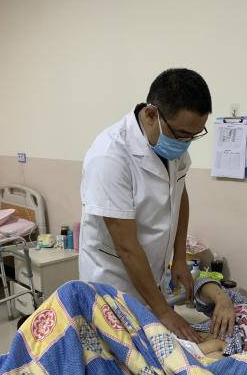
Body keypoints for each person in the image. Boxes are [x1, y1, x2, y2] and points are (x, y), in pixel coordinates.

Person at [79, 68, 212, 343]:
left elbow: (179, 194)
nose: (186, 143)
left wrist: (179, 257)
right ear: (151, 115)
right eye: (183, 134)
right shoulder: (109, 156)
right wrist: (163, 311)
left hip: (151, 277)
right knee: (121, 357)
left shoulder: (171, 143)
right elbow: (126, 246)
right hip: (113, 282)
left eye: (194, 135)